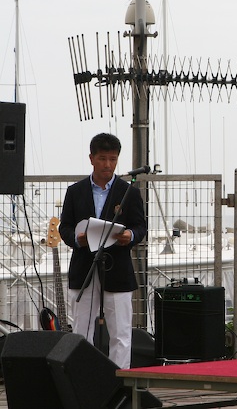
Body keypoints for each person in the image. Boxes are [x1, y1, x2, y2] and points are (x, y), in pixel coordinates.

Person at [59, 133, 147, 369]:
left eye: (113, 159)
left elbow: (140, 227)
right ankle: (82, 380)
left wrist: (130, 236)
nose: (108, 164)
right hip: (84, 268)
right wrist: (77, 239)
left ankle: (120, 382)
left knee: (121, 332)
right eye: (102, 159)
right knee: (81, 331)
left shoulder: (128, 192)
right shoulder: (75, 191)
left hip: (117, 267)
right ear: (91, 159)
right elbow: (64, 227)